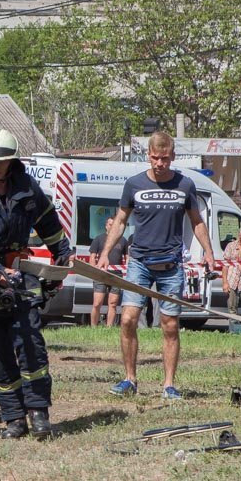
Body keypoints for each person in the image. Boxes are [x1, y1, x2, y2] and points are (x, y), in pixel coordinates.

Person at [0, 127, 73, 439]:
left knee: (31, 348)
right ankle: (14, 417)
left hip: (22, 280)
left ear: (12, 159)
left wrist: (62, 254)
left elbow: (48, 222)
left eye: (2, 160)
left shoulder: (27, 188)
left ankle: (40, 414)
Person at [97, 131, 217, 400]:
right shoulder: (134, 185)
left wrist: (209, 252)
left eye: (164, 158)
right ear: (148, 155)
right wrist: (106, 252)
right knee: (127, 319)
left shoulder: (185, 185)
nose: (159, 163)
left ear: (172, 156)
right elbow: (120, 221)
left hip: (172, 265)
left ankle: (169, 385)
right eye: (154, 158)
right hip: (139, 262)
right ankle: (130, 379)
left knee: (170, 325)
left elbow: (197, 222)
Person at [88, 217, 127, 327]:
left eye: (114, 225)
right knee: (97, 303)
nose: (112, 227)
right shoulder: (98, 239)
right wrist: (93, 272)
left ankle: (109, 328)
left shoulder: (123, 240)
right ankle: (93, 327)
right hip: (100, 275)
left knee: (113, 303)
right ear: (106, 226)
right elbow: (92, 257)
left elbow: (127, 258)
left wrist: (126, 272)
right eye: (110, 224)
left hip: (116, 275)